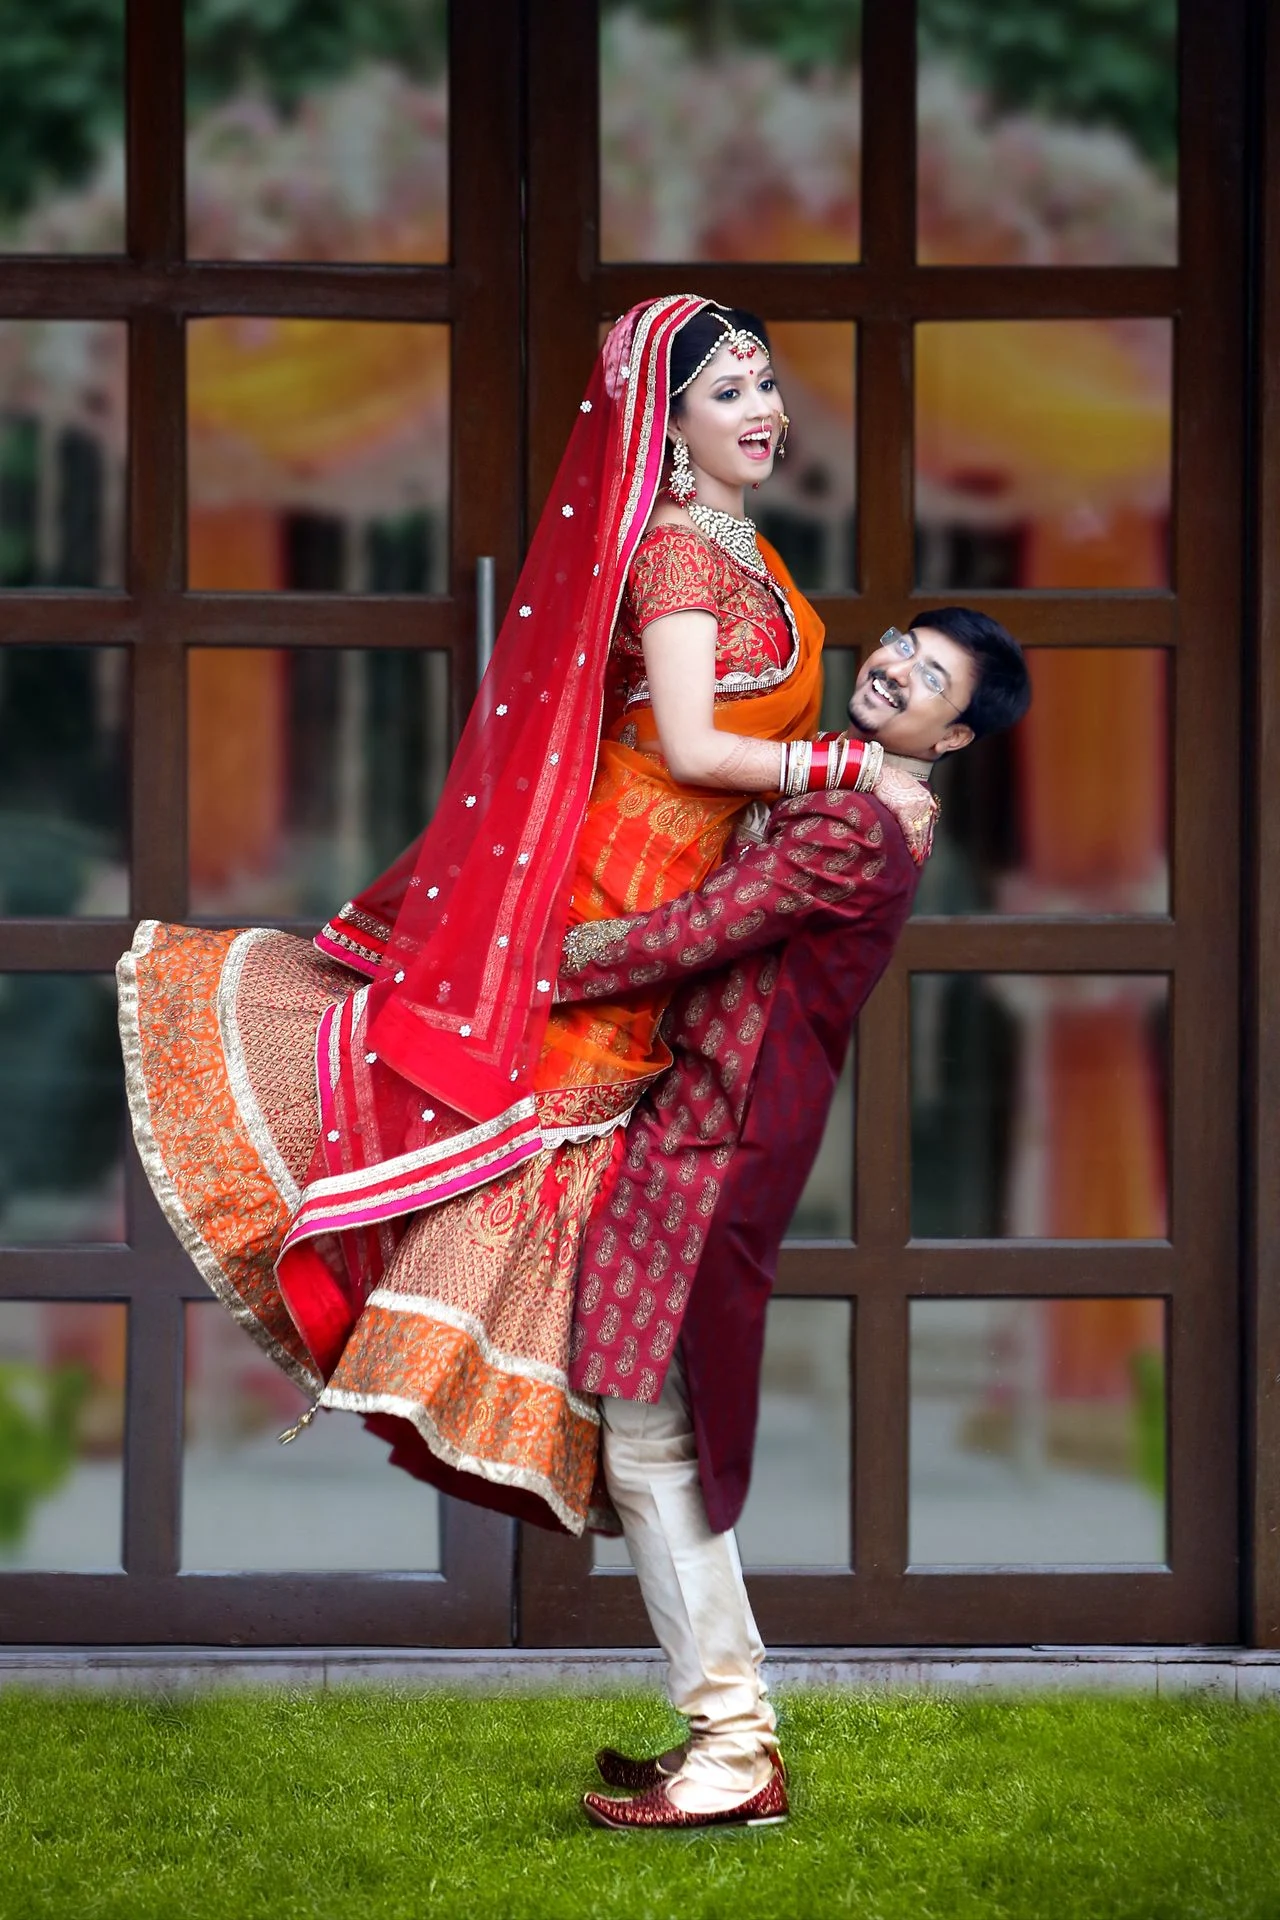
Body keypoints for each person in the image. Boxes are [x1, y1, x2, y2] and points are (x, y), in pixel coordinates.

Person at [117, 294, 932, 1538]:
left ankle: (635, 1475)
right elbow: (701, 749)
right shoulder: (671, 549)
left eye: (766, 384)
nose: (761, 411)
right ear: (664, 425)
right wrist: (851, 771)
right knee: (528, 1131)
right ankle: (554, 1420)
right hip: (619, 882)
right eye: (727, 392)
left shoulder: (742, 543)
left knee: (602, 1169)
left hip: (682, 890)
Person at [554, 608, 1033, 1830]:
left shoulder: (855, 820)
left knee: (658, 1433)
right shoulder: (856, 789)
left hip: (716, 1140)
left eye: (931, 680)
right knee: (643, 1428)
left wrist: (527, 962)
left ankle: (730, 1747)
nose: (895, 673)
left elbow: (688, 937)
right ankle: (723, 1732)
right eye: (899, 647)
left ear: (956, 735)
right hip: (712, 1123)